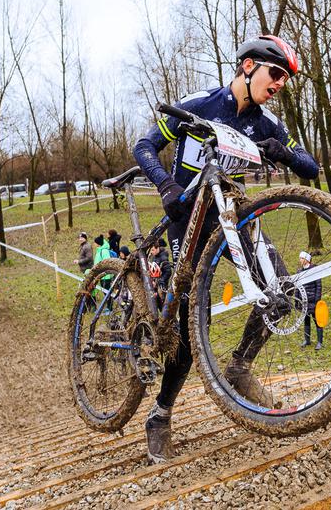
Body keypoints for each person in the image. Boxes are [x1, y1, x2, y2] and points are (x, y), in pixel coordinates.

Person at [133, 34, 319, 463]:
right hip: (189, 220)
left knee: (285, 291)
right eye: (276, 74)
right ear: (249, 66)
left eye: (286, 80)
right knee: (185, 329)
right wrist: (165, 183)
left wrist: (283, 152)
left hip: (234, 218)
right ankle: (160, 415)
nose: (279, 85)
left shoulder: (265, 122)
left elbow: (311, 164)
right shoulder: (200, 103)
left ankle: (238, 366)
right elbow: (144, 147)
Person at [298, 252, 323, 350]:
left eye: (301, 258)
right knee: (306, 321)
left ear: (307, 259)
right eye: (299, 258)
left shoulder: (314, 270)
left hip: (313, 301)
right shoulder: (299, 272)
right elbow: (298, 287)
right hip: (304, 302)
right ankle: (307, 340)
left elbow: (319, 286)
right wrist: (298, 301)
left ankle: (320, 342)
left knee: (317, 321)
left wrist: (317, 300)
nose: (300, 260)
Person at [148, 238, 172, 308]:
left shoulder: (163, 257)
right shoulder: (154, 256)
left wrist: (159, 281)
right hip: (155, 282)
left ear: (157, 248)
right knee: (157, 302)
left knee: (163, 303)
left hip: (162, 285)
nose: (151, 252)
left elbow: (168, 272)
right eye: (151, 250)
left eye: (153, 250)